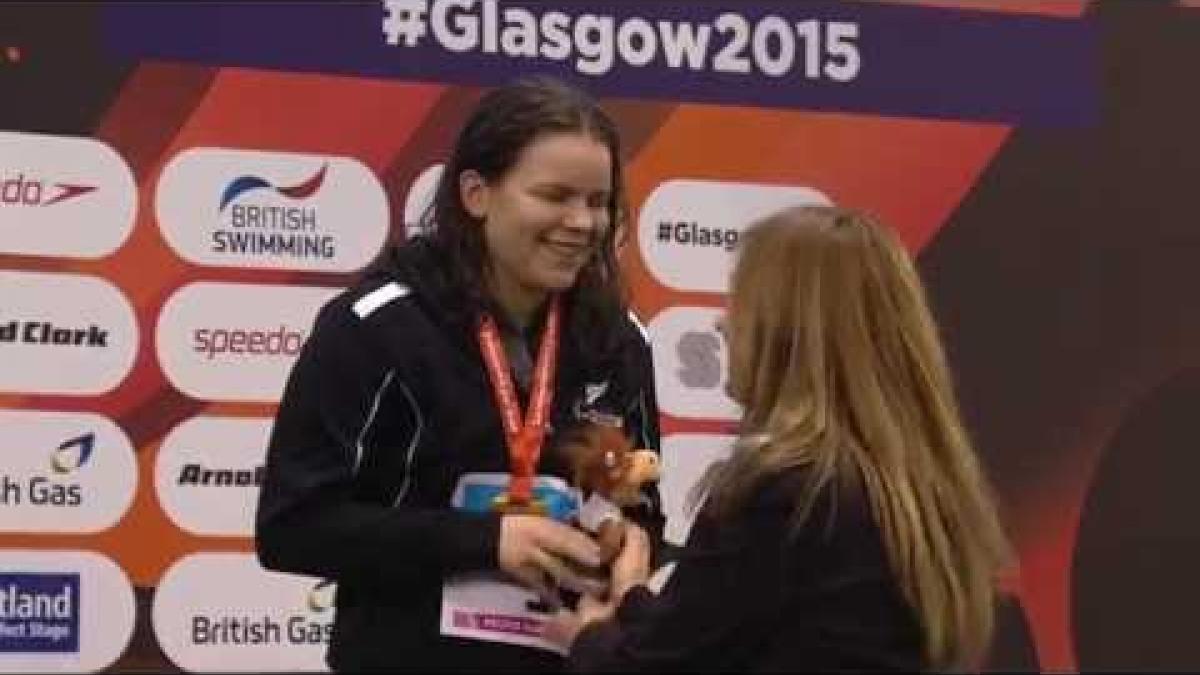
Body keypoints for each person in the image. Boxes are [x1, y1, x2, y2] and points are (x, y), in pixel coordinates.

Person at [255, 76, 664, 673]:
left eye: (599, 201)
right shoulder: (373, 326)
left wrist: (631, 543)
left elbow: (643, 499)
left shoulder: (619, 338)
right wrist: (487, 541)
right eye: (554, 195)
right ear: (476, 194)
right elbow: (293, 528)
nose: (582, 222)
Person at [545, 206, 1013, 672]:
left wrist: (588, 637)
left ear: (790, 330)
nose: (721, 325)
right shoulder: (920, 493)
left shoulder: (785, 492)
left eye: (739, 305)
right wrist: (631, 601)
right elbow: (724, 626)